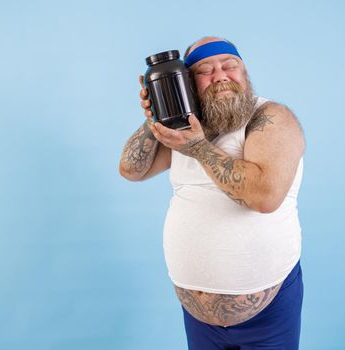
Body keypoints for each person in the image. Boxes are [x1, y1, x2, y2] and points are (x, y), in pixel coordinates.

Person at [119, 36, 306, 350]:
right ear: (187, 84)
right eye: (205, 70)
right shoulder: (184, 128)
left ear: (244, 74)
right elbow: (131, 170)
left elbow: (264, 197)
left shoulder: (270, 118)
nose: (220, 75)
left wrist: (199, 149)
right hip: (199, 320)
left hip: (267, 315)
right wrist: (156, 115)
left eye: (229, 66)